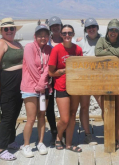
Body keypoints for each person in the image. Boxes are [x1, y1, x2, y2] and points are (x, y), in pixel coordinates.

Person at [95, 19, 119, 150]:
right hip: (105, 80)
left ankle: (117, 137)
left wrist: (108, 50)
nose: (113, 32)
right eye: (111, 30)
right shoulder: (101, 41)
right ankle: (109, 133)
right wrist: (116, 53)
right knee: (106, 109)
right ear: (107, 30)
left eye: (116, 30)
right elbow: (98, 52)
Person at [0, 17, 23, 161]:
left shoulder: (17, 43)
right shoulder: (0, 43)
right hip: (7, 84)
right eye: (6, 29)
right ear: (2, 31)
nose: (9, 31)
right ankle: (1, 149)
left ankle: (10, 141)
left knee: (15, 114)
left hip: (19, 86)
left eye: (12, 28)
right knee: (7, 116)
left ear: (15, 30)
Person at [48, 24, 83, 152]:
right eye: (64, 33)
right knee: (65, 118)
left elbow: (81, 68)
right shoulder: (56, 50)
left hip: (75, 86)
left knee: (73, 115)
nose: (67, 35)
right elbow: (51, 72)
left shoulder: (78, 49)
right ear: (61, 35)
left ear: (73, 34)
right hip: (61, 86)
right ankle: (58, 137)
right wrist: (64, 71)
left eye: (69, 33)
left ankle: (68, 144)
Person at [20, 25, 52, 157]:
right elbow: (32, 66)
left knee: (41, 116)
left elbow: (48, 67)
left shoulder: (50, 49)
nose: (43, 37)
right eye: (40, 35)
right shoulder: (29, 47)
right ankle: (26, 145)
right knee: (31, 118)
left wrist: (42, 84)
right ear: (35, 36)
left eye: (45, 35)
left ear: (48, 36)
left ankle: (40, 142)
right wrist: (40, 84)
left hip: (44, 88)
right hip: (30, 88)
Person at [76, 18, 103, 145]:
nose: (91, 29)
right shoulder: (81, 43)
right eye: (88, 27)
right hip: (85, 81)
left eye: (93, 26)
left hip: (100, 80)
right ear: (85, 30)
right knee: (84, 107)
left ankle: (109, 131)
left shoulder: (104, 40)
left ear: (97, 27)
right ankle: (88, 135)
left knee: (104, 105)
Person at [46, 16, 63, 144]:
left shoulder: (66, 39)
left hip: (63, 78)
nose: (55, 27)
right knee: (49, 106)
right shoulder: (47, 42)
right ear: (50, 28)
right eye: (53, 26)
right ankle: (53, 130)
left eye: (57, 25)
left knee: (64, 105)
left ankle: (64, 130)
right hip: (49, 78)